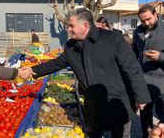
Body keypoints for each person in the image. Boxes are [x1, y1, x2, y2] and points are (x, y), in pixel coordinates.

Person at [29, 8, 151, 137]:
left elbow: (132, 68)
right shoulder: (71, 46)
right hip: (92, 103)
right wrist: (32, 70)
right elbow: (57, 63)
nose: (68, 29)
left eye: (71, 26)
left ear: (85, 25)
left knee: (120, 134)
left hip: (117, 100)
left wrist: (141, 96)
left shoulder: (112, 39)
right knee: (93, 132)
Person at [132, 4, 164, 138]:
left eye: (149, 19)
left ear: (156, 14)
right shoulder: (138, 32)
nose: (146, 23)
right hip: (143, 81)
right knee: (144, 114)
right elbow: (134, 54)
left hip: (161, 81)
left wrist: (160, 57)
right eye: (142, 20)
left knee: (162, 115)